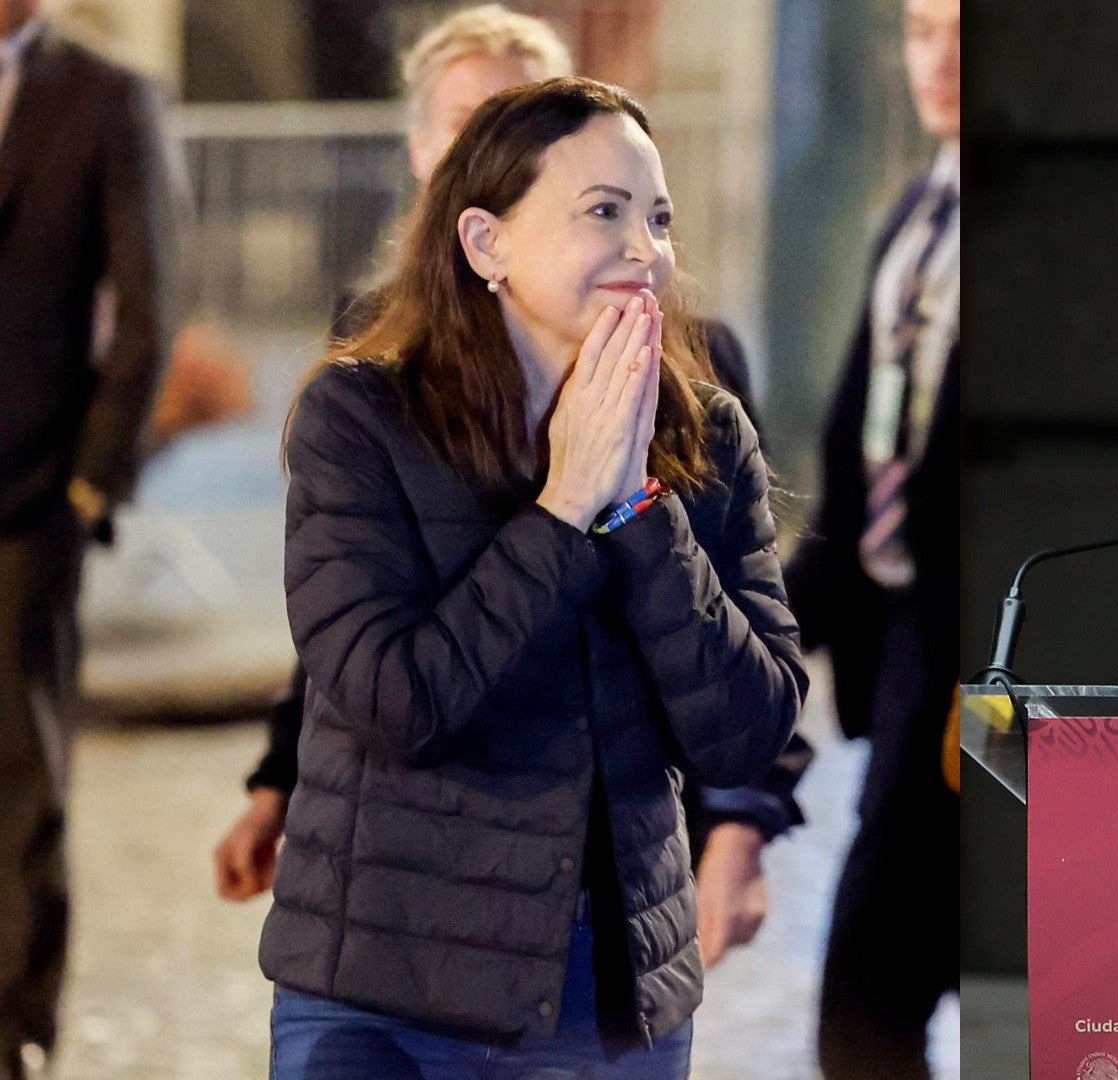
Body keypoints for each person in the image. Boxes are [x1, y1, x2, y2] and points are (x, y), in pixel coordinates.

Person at [214, 3, 803, 973]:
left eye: (654, 215)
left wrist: (634, 501)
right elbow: (352, 645)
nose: (642, 247)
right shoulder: (366, 389)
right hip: (400, 938)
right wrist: (281, 779)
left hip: (606, 945)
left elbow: (747, 705)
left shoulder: (697, 394)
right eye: (473, 123)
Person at [0, 2, 180, 1074]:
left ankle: (13, 1031)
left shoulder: (108, 96)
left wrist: (89, 484)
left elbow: (150, 301)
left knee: (20, 784)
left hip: (28, 502)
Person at [783, 0, 958, 1074]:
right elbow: (864, 453)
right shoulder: (915, 213)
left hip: (971, 662)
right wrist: (768, 615)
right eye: (922, 29)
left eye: (967, 31)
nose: (941, 58)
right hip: (895, 635)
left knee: (877, 984)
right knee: (872, 996)